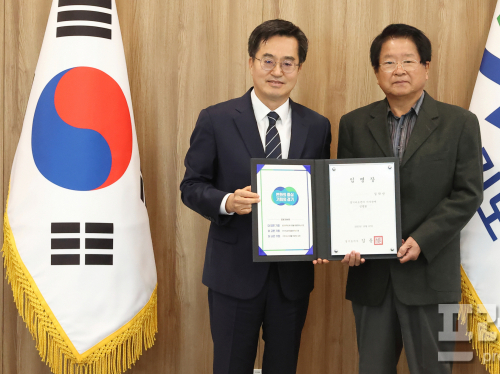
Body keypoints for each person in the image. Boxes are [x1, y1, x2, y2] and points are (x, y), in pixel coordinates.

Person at [180, 19, 331, 374]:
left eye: (288, 62)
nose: (277, 71)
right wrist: (227, 203)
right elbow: (191, 186)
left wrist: (325, 239)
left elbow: (321, 194)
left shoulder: (317, 125)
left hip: (291, 278)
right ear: (251, 63)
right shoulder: (216, 119)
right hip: (234, 274)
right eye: (268, 61)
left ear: (299, 68)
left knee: (284, 366)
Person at [338, 24, 483, 374]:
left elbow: (468, 193)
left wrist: (422, 239)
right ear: (377, 72)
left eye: (408, 61)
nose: (399, 70)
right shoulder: (353, 124)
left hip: (430, 275)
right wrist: (346, 241)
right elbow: (344, 193)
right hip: (372, 277)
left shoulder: (459, 123)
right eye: (389, 62)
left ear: (426, 67)